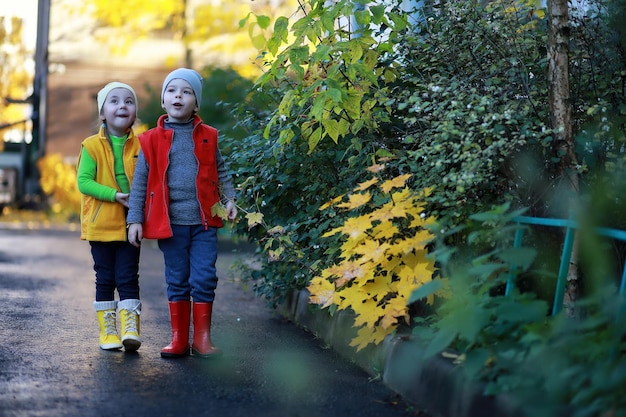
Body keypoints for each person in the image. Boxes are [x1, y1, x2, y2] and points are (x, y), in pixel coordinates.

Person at [127, 68, 237, 359]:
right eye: (172, 91)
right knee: (177, 279)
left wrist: (230, 199)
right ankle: (178, 339)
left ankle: (202, 339)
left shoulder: (209, 136)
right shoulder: (150, 140)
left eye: (187, 92)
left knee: (203, 278)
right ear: (164, 101)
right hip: (171, 224)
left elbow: (221, 172)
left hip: (204, 222)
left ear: (196, 104)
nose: (179, 95)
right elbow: (140, 183)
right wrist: (135, 219)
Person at [77, 82, 142, 352]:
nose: (122, 106)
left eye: (128, 101)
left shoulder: (142, 145)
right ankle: (108, 331)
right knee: (105, 277)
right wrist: (114, 195)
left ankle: (130, 330)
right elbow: (84, 182)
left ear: (134, 112)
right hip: (101, 224)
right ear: (102, 113)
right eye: (114, 101)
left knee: (128, 276)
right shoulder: (91, 146)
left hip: (130, 223)